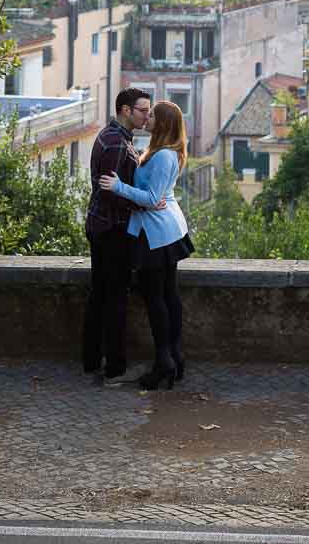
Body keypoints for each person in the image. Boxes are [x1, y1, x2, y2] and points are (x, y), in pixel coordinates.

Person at [99, 100, 193, 390]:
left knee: (157, 298)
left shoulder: (164, 156)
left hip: (158, 234)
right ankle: (173, 358)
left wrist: (118, 187)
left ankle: (164, 361)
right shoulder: (161, 152)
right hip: (161, 230)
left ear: (163, 123)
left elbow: (152, 199)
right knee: (166, 294)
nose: (147, 117)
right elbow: (156, 196)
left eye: (153, 115)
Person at [82, 87, 152, 383]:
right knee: (115, 298)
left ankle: (91, 360)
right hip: (112, 230)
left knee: (100, 294)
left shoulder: (113, 137)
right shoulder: (117, 145)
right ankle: (115, 368)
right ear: (126, 110)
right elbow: (111, 192)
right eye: (143, 111)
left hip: (103, 226)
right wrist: (144, 201)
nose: (148, 116)